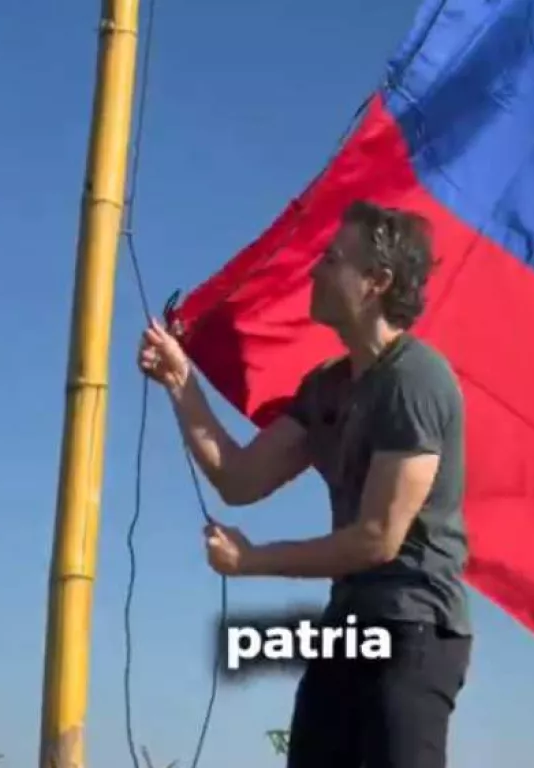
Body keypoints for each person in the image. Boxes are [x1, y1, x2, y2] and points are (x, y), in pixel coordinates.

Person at [138, 200, 471, 768]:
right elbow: (239, 479)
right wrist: (180, 381)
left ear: (376, 282)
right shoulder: (325, 389)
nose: (313, 270)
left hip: (414, 628)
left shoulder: (414, 380)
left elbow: (376, 539)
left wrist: (252, 561)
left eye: (331, 258)